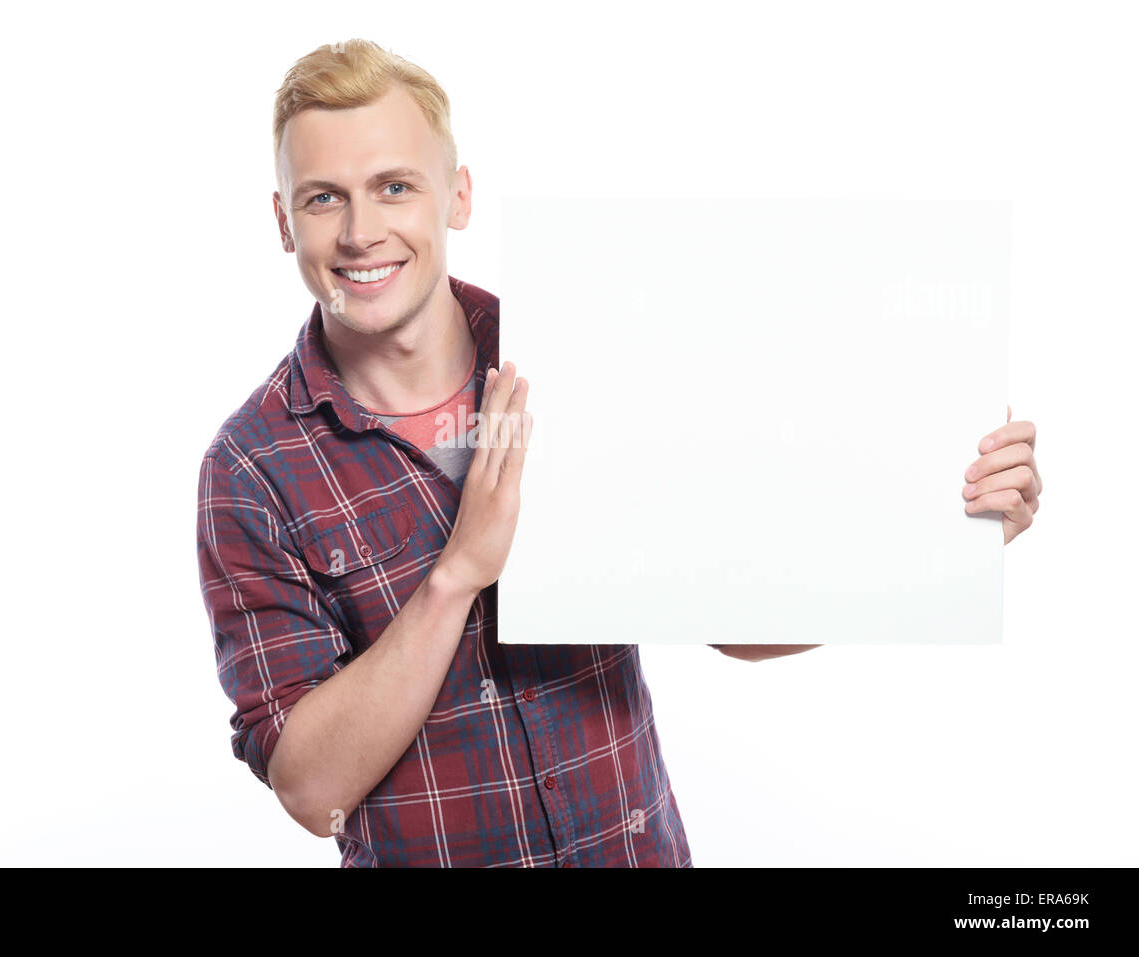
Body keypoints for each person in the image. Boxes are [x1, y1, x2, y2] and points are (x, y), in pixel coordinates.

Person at [195, 39, 1042, 868]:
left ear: (456, 195)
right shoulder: (249, 470)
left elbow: (733, 618)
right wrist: (458, 575)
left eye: (394, 186)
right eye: (322, 199)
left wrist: (945, 540)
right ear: (282, 221)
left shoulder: (583, 350)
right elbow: (311, 790)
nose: (362, 230)